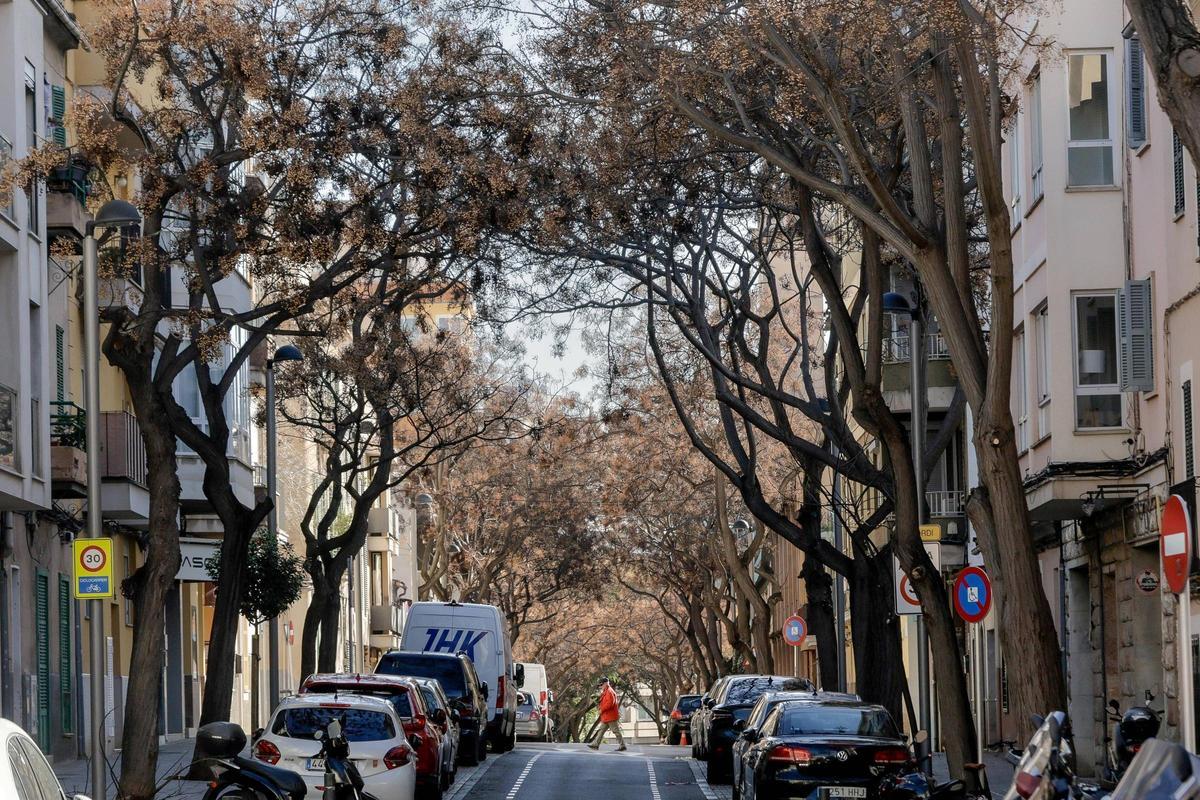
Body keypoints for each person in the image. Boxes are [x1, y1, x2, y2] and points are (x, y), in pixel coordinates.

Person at [588, 677, 626, 751]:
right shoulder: (606, 691)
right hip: (607, 716)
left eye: (601, 684)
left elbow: (609, 704)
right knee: (601, 730)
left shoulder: (609, 692)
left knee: (616, 731)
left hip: (610, 716)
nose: (600, 686)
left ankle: (622, 745)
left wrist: (601, 709)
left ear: (605, 683)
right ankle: (595, 744)